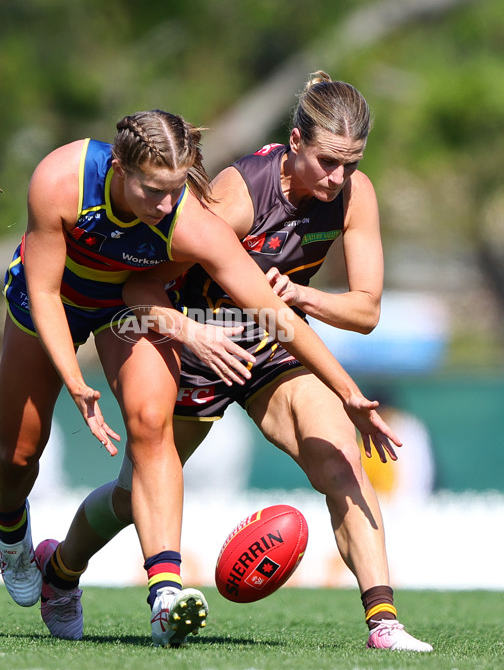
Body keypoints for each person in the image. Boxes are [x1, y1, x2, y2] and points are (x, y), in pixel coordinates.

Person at [37, 74, 433, 652]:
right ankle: (61, 570)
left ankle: (384, 623)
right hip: (198, 348)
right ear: (295, 141)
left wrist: (304, 298)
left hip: (274, 344)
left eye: (350, 164)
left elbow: (366, 311)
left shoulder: (354, 194)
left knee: (342, 458)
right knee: (131, 496)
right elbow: (140, 289)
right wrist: (194, 334)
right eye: (327, 162)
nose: (338, 178)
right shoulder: (238, 194)